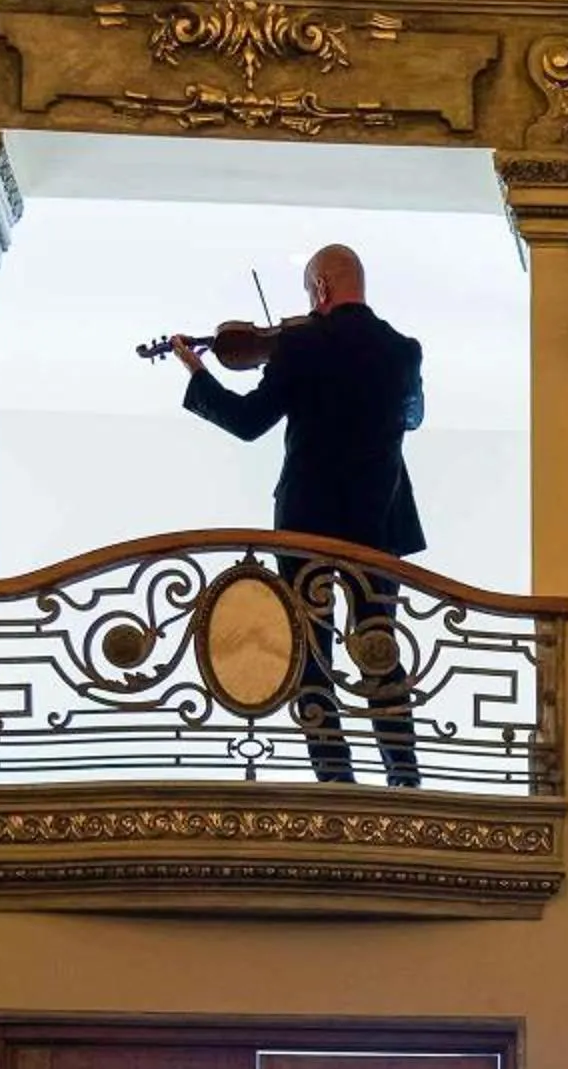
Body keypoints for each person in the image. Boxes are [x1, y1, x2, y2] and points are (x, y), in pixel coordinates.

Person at [171, 244, 427, 787]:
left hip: (308, 516)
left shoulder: (301, 345)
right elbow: (413, 416)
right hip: (379, 520)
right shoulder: (404, 351)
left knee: (313, 650)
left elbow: (246, 421)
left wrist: (197, 372)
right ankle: (404, 777)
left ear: (320, 290)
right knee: (379, 645)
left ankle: (335, 778)